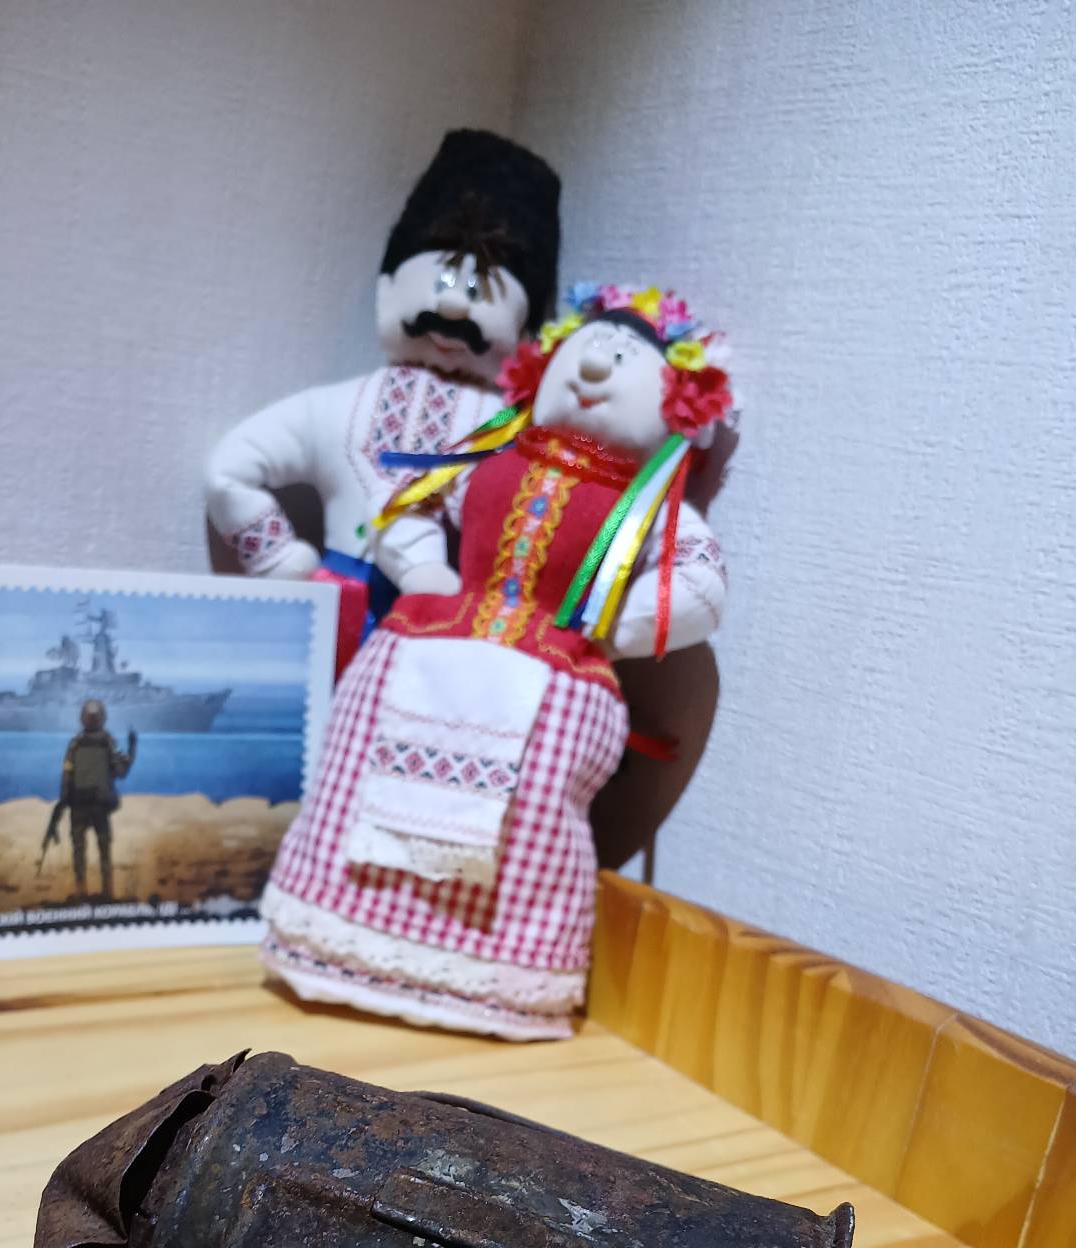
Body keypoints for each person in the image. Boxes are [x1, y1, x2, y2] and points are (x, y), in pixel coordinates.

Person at [260, 286, 733, 1039]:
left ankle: (500, 971)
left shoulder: (649, 506)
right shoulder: (486, 455)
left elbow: (699, 582)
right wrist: (424, 572)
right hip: (431, 631)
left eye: (622, 360)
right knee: (359, 757)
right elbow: (409, 502)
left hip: (558, 668)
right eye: (583, 354)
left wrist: (616, 627)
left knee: (536, 805)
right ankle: (332, 927)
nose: (594, 372)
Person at [206, 130, 562, 674]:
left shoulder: (509, 432)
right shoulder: (337, 408)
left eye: (477, 291)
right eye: (443, 278)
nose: (452, 305)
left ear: (525, 331)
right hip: (330, 621)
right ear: (388, 289)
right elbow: (229, 470)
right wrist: (278, 559)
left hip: (443, 631)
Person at [60, 698, 136, 900]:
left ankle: (80, 891)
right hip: (100, 807)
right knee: (104, 851)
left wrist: (64, 800)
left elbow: (67, 774)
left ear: (82, 718)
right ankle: (107, 892)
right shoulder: (109, 742)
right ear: (103, 717)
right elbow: (121, 772)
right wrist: (131, 750)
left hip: (78, 806)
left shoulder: (74, 743)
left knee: (79, 851)